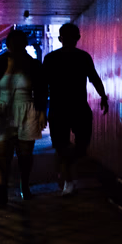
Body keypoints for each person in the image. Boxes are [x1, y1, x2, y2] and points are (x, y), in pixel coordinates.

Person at [0, 29, 47, 207]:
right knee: (2, 156)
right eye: (13, 44)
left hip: (26, 111)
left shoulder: (33, 65)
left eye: (19, 44)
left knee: (25, 155)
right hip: (3, 111)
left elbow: (41, 91)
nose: (15, 47)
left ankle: (24, 185)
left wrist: (41, 113)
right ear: (8, 45)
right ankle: (2, 194)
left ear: (24, 45)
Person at [43, 23, 109, 196]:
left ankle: (66, 174)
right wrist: (103, 96)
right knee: (81, 146)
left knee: (61, 145)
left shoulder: (50, 59)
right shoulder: (83, 57)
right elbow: (94, 78)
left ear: (59, 39)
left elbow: (43, 86)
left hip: (58, 109)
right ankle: (67, 178)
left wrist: (41, 111)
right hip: (79, 108)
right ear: (78, 38)